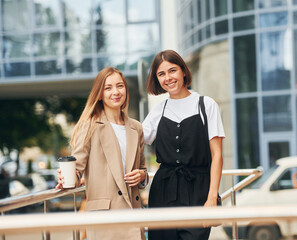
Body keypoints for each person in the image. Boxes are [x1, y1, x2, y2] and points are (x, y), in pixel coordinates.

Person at [56, 67, 148, 240]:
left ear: (126, 90)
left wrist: (142, 175)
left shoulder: (136, 127)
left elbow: (142, 168)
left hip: (133, 213)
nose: (115, 92)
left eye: (120, 86)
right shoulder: (90, 125)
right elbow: (77, 169)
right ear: (99, 94)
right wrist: (67, 178)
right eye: (108, 88)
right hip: (105, 217)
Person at [142, 50, 225, 240]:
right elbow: (133, 140)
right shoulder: (158, 110)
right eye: (161, 74)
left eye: (172, 71)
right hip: (163, 191)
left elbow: (217, 155)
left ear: (183, 72)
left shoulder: (206, 105)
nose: (168, 78)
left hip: (199, 191)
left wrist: (212, 197)